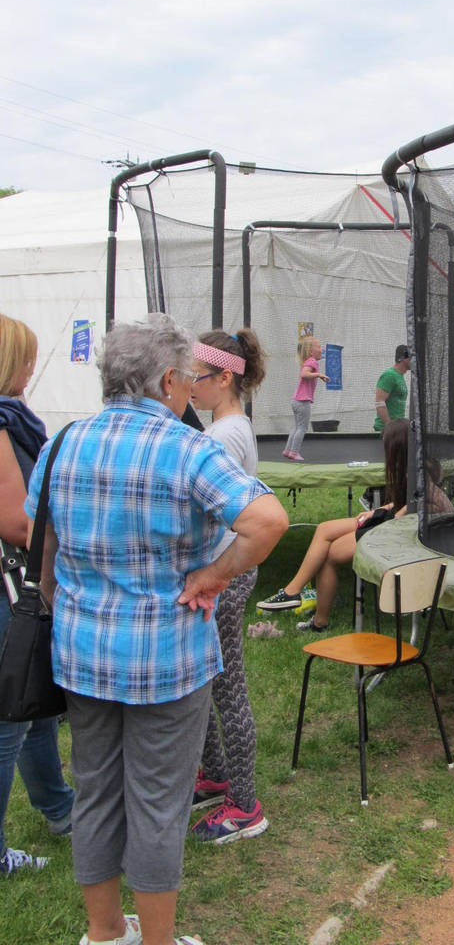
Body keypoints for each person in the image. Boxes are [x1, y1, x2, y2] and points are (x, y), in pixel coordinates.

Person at [25, 314, 288, 945]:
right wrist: (215, 576)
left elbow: (42, 545)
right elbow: (268, 521)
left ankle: (104, 933)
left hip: (83, 655)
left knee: (95, 792)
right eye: (188, 377)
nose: (191, 387)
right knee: (158, 801)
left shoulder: (64, 444)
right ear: (168, 380)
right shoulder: (188, 448)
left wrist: (66, 600)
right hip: (168, 660)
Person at [185, 329, 272, 845]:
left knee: (228, 688)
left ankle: (244, 806)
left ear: (223, 378)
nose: (188, 384)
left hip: (227, 573)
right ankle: (217, 776)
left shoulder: (223, 436)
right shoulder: (227, 427)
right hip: (226, 570)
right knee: (210, 683)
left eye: (196, 376)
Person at [0, 314, 74, 878]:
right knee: (9, 723)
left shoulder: (13, 422)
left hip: (21, 589)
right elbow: (16, 522)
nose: (32, 368)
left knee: (33, 706)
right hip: (9, 590)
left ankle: (59, 808)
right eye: (26, 358)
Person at [257, 419, 452, 628]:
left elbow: (436, 507)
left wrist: (398, 515)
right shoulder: (410, 465)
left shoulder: (421, 471)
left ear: (399, 446)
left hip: (407, 530)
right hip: (395, 519)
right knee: (324, 529)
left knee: (331, 554)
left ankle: (317, 621)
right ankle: (293, 592)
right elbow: (408, 501)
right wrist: (378, 511)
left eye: (387, 445)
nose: (384, 450)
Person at [283, 336, 329, 462]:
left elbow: (305, 373)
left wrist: (318, 375)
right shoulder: (312, 361)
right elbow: (304, 374)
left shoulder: (308, 361)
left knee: (296, 427)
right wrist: (318, 374)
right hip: (302, 401)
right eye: (319, 347)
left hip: (296, 400)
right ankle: (294, 452)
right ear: (311, 351)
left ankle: (288, 450)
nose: (321, 349)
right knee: (302, 428)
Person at [373, 345, 410, 432]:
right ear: (403, 358)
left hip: (397, 429)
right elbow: (379, 403)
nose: (414, 360)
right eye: (411, 357)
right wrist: (389, 427)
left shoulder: (399, 376)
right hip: (386, 431)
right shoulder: (389, 375)